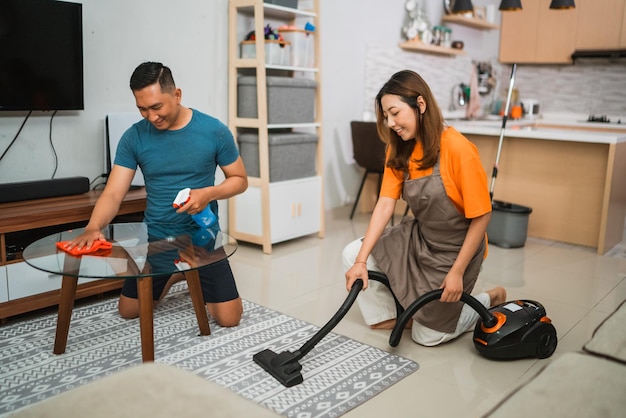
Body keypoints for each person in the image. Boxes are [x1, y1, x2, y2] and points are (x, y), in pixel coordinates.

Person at [66, 62, 247, 327]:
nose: (151, 117)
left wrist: (209, 193)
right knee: (128, 311)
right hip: (157, 241)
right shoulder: (134, 137)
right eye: (142, 109)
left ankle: (185, 271)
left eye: (156, 107)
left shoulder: (214, 130)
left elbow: (240, 180)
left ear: (177, 95)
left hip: (203, 242)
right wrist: (94, 226)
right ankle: (176, 273)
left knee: (229, 319)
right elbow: (114, 192)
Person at [343, 70, 506, 346]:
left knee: (427, 337)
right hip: (421, 238)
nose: (390, 122)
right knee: (351, 254)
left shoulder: (458, 149)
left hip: (456, 250)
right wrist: (361, 262)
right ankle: (392, 317)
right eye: (385, 116)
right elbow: (385, 204)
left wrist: (456, 272)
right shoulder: (398, 149)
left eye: (394, 112)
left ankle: (487, 299)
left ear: (420, 105)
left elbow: (482, 215)